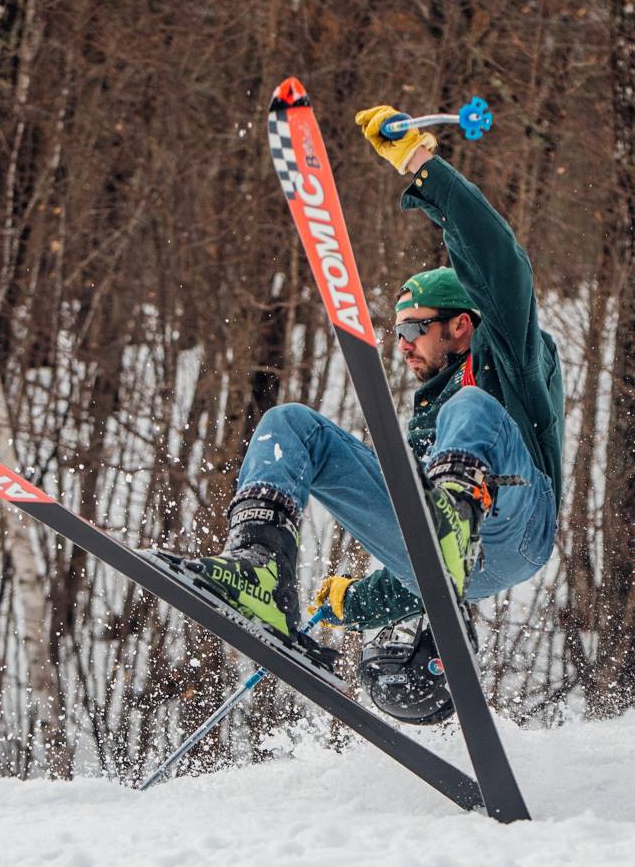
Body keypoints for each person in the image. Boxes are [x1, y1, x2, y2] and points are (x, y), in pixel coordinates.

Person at [169, 102, 564, 694]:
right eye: (396, 332)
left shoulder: (508, 355)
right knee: (291, 425)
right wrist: (353, 602)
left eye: (415, 329)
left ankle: (455, 527)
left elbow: (500, 263)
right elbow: (417, 559)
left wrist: (422, 164)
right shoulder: (429, 418)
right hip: (448, 554)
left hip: (519, 523)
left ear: (461, 324)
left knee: (470, 410)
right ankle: (261, 571)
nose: (401, 345)